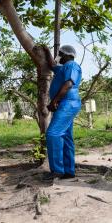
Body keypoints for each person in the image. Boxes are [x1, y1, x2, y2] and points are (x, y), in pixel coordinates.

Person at [45, 45, 82, 181]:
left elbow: (68, 84)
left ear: (67, 55)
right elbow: (51, 64)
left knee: (52, 134)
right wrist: (46, 50)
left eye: (60, 54)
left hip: (68, 103)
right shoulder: (62, 68)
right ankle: (68, 170)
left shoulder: (72, 65)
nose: (58, 56)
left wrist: (54, 101)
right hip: (65, 104)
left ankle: (58, 170)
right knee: (65, 136)